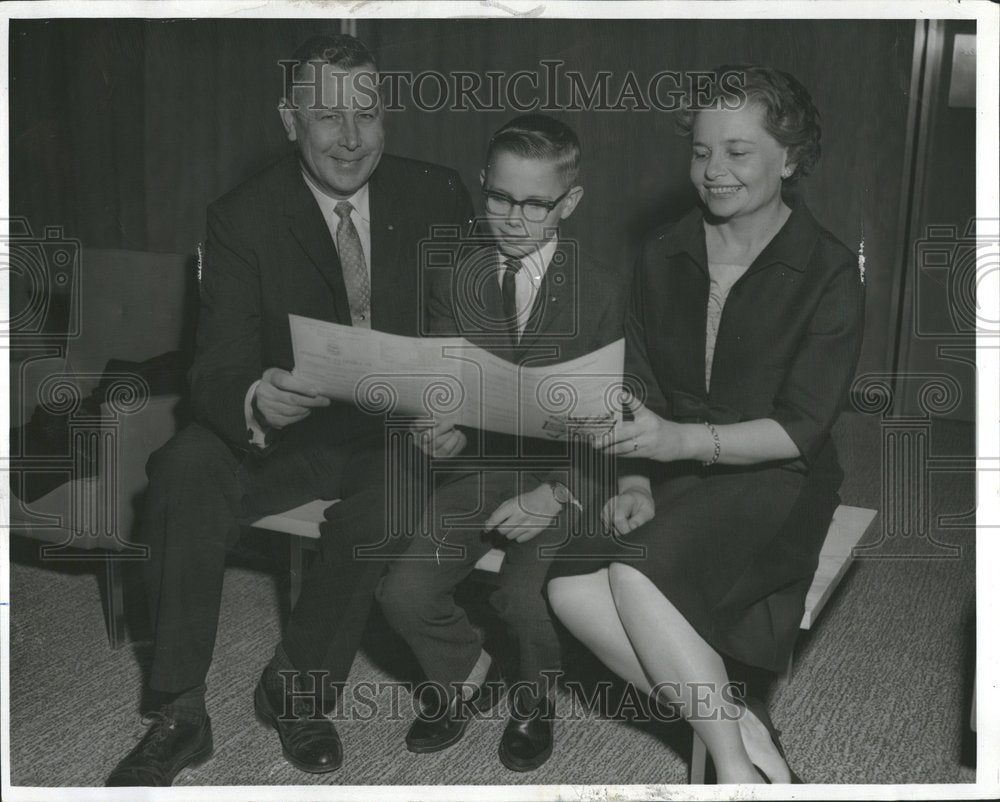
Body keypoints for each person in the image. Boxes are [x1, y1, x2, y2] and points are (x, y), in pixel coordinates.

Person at [106, 34, 473, 786]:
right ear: (288, 118)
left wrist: (454, 406)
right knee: (183, 465)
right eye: (327, 116)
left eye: (366, 115)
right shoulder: (243, 215)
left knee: (391, 499)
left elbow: (464, 332)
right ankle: (180, 711)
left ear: (386, 118)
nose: (349, 138)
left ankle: (298, 688)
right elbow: (217, 363)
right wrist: (254, 395)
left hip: (392, 438)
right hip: (285, 433)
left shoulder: (436, 194)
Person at [546, 66, 864, 784]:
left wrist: (679, 442)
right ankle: (741, 719)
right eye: (700, 151)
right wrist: (636, 472)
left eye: (738, 151)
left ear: (790, 157)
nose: (712, 171)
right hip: (674, 466)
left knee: (635, 576)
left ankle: (736, 772)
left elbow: (804, 426)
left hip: (778, 473)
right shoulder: (662, 253)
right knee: (569, 589)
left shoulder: (829, 269)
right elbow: (640, 387)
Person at [376, 114, 626, 772]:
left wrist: (560, 493)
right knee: (401, 592)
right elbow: (442, 382)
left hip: (572, 475)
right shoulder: (454, 275)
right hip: (480, 469)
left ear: (569, 202)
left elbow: (622, 425)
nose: (513, 218)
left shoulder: (605, 294)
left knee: (523, 596)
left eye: (535, 203)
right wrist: (437, 426)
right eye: (498, 197)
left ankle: (534, 700)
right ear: (483, 184)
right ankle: (464, 672)